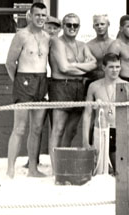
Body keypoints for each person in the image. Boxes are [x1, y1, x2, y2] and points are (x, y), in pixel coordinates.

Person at [6, 2, 50, 178]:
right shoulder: (21, 36)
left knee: (37, 128)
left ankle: (33, 168)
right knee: (20, 128)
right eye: (37, 15)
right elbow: (10, 62)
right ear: (30, 16)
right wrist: (18, 82)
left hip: (41, 80)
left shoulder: (47, 37)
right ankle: (10, 169)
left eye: (43, 15)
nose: (40, 18)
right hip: (24, 80)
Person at [48, 13, 97, 171]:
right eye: (68, 25)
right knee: (59, 128)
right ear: (63, 26)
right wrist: (83, 67)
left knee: (72, 129)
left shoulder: (82, 45)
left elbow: (94, 64)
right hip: (61, 85)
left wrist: (73, 65)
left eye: (75, 25)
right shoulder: (57, 42)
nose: (72, 28)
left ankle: (65, 163)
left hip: (78, 87)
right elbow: (63, 68)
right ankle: (56, 168)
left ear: (79, 27)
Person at [82, 53, 129, 171]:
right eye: (111, 67)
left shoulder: (126, 85)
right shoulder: (94, 86)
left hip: (119, 131)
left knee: (120, 171)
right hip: (100, 131)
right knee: (100, 171)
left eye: (117, 67)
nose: (115, 70)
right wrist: (85, 140)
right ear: (103, 68)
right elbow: (87, 114)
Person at [108, 15, 129, 92]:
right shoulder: (116, 45)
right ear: (121, 28)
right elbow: (109, 68)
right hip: (122, 81)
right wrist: (123, 83)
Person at [87, 14, 113, 81]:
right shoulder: (89, 45)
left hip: (114, 80)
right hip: (95, 81)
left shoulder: (115, 44)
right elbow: (87, 67)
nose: (99, 27)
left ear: (108, 24)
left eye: (102, 24)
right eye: (97, 24)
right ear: (93, 26)